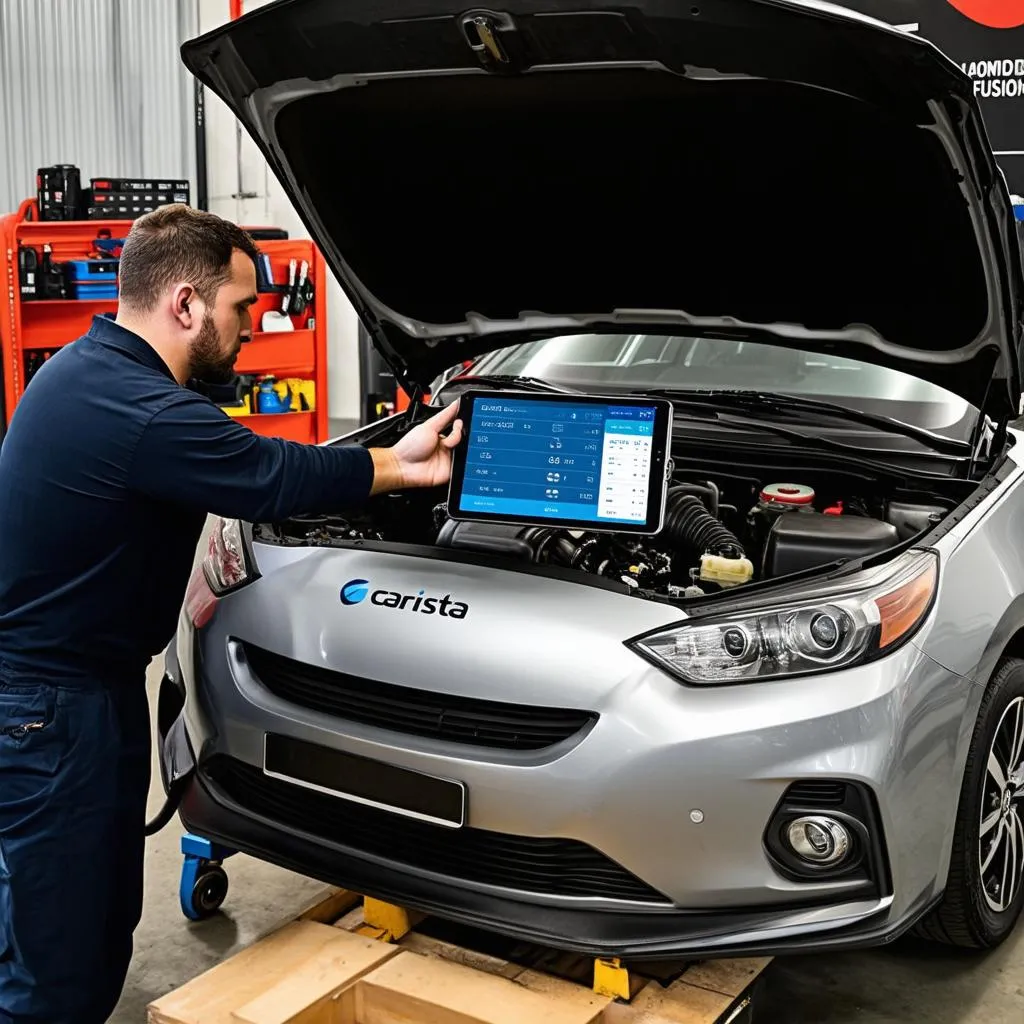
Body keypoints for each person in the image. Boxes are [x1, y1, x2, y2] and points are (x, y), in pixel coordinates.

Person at [0, 204, 462, 1023]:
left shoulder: (81, 370)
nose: (252, 326)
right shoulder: (147, 413)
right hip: (54, 711)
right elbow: (265, 474)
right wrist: (403, 466)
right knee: (59, 957)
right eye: (242, 307)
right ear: (185, 304)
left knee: (58, 920)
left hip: (47, 693)